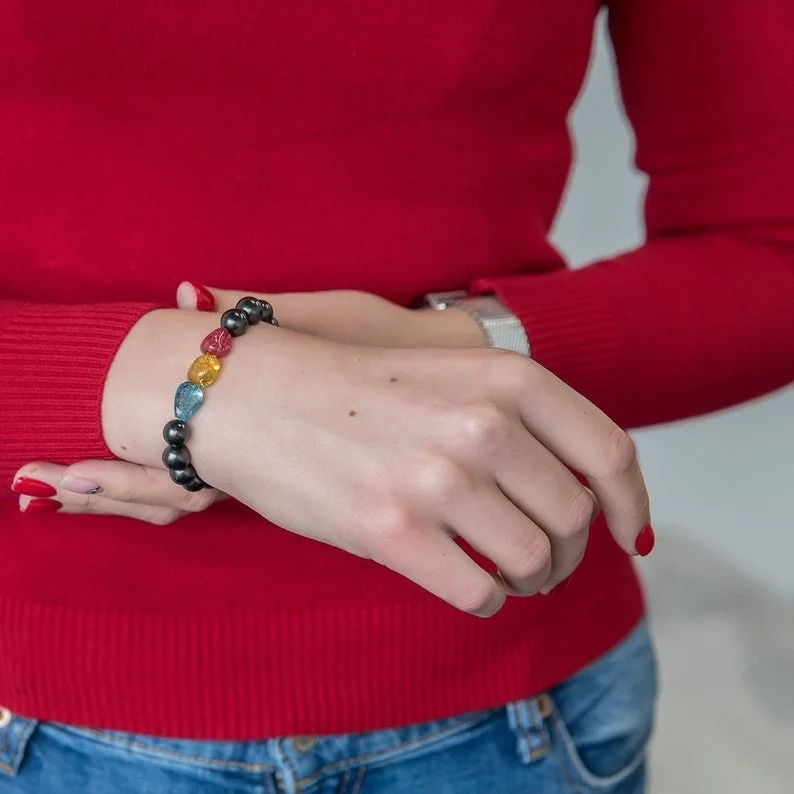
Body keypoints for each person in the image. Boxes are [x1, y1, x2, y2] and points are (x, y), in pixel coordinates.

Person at [1, 1, 792, 792]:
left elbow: (770, 244)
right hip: (28, 705)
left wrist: (457, 345)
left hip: (517, 705)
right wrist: (151, 377)